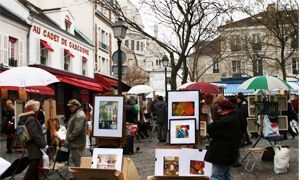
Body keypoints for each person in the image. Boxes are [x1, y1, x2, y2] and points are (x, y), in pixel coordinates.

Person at [204, 100, 241, 180]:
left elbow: (211, 128)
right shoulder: (234, 117)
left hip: (222, 153)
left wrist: (214, 117)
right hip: (228, 152)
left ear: (224, 109)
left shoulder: (225, 120)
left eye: (219, 109)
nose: (218, 111)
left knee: (216, 176)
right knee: (227, 175)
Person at [19, 100, 46, 180]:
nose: (39, 110)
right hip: (34, 147)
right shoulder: (31, 119)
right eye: (37, 109)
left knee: (34, 169)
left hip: (33, 146)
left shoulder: (29, 118)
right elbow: (35, 135)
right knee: (32, 169)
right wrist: (43, 144)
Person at [64, 99, 86, 167]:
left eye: (71, 106)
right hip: (74, 144)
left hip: (77, 144)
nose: (70, 108)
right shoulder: (75, 113)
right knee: (76, 161)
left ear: (76, 106)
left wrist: (69, 138)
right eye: (69, 106)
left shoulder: (80, 115)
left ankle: (80, 176)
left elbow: (77, 131)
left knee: (78, 162)